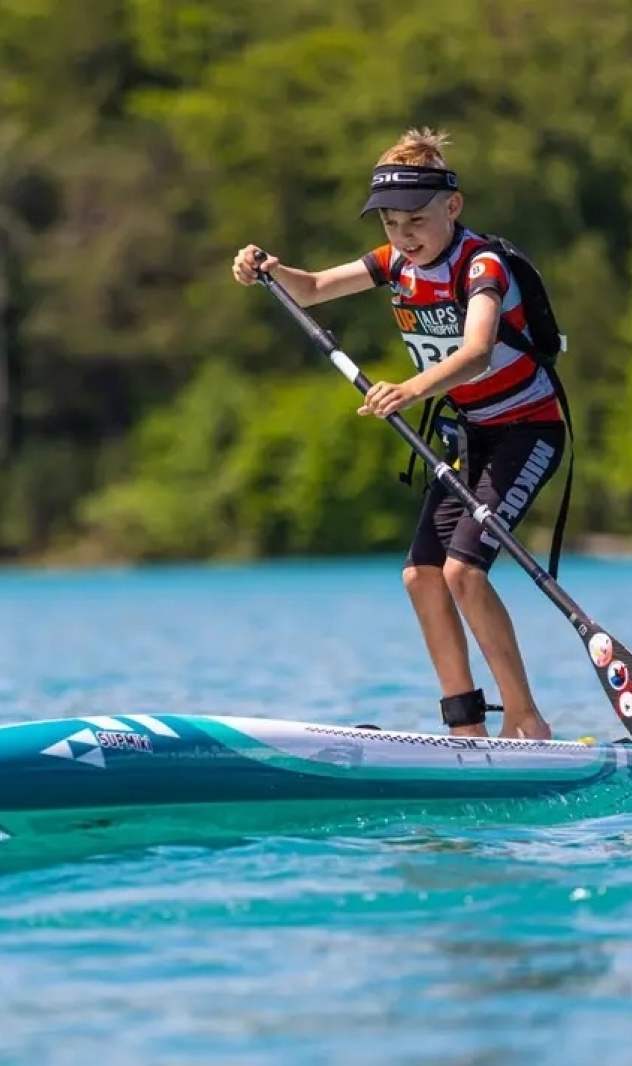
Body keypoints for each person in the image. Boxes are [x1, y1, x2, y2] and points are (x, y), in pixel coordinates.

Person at [230, 126, 565, 741]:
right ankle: (464, 728)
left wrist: (410, 390)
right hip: (471, 437)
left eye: (415, 220)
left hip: (527, 431)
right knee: (421, 575)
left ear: (452, 207)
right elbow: (314, 288)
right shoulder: (394, 266)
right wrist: (267, 269)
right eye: (389, 222)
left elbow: (479, 352)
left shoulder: (481, 265)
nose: (402, 235)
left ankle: (525, 722)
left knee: (466, 571)